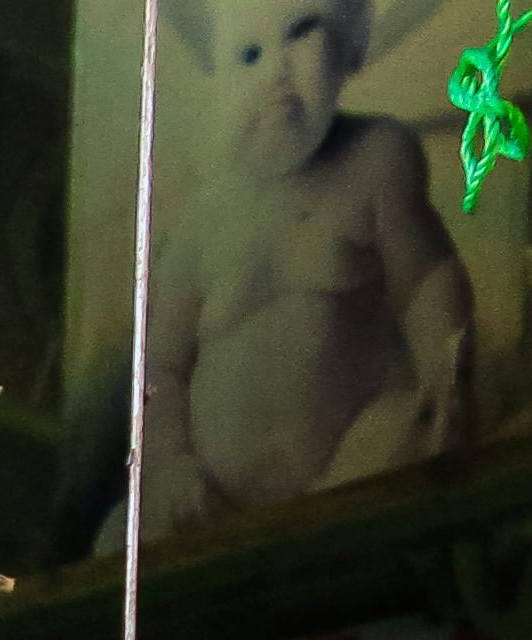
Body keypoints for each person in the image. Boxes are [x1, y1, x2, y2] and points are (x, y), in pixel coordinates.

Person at [121, 0, 472, 531]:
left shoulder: (377, 158)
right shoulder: (201, 219)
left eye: (301, 31)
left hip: (345, 476)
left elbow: (422, 277)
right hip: (212, 507)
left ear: (351, 45)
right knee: (120, 533)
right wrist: (171, 465)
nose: (275, 69)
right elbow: (160, 368)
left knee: (408, 427)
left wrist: (442, 370)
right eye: (248, 53)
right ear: (214, 81)